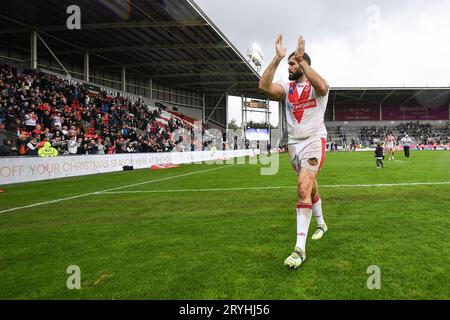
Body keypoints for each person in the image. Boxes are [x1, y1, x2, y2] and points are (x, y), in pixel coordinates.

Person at [259, 35, 329, 269]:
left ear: (302, 64)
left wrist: (303, 60)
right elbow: (264, 86)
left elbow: (324, 87)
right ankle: (321, 224)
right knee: (311, 186)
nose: (288, 67)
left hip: (313, 140)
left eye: (292, 63)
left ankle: (299, 250)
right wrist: (278, 57)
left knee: (302, 187)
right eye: (288, 63)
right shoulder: (287, 87)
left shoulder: (315, 87)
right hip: (294, 144)